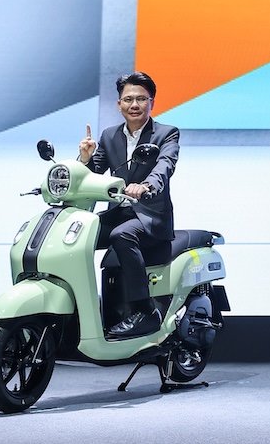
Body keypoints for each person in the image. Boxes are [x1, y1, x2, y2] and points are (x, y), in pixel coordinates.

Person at [78, 71, 179, 339]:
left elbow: (165, 166)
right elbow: (92, 175)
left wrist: (146, 186)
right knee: (75, 234)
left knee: (121, 235)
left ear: (151, 102)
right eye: (128, 99)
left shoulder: (166, 134)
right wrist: (85, 158)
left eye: (141, 99)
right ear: (119, 104)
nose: (134, 104)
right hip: (119, 211)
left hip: (150, 216)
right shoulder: (109, 135)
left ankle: (145, 312)